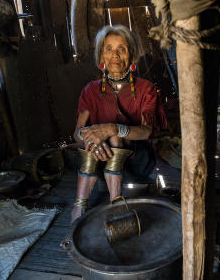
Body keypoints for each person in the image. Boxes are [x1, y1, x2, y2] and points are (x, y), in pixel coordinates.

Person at [71, 25, 167, 224]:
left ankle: (115, 204)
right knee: (92, 136)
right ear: (102, 57)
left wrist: (113, 129)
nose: (114, 55)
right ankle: (78, 208)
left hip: (136, 160)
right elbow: (77, 133)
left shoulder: (145, 89)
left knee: (114, 134)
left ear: (131, 57)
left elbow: (146, 131)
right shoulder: (91, 90)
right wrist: (91, 140)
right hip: (99, 157)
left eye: (121, 49)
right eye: (109, 49)